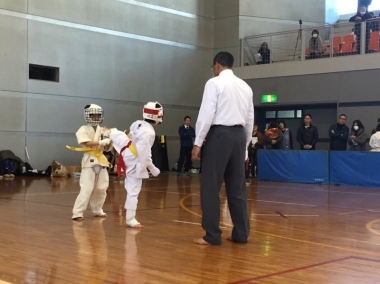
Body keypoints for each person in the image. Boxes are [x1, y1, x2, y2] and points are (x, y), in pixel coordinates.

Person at [192, 52, 254, 245]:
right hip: (239, 136)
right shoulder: (246, 87)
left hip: (219, 136)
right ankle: (241, 234)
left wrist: (198, 142)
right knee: (237, 188)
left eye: (213, 67)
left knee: (210, 187)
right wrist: (244, 148)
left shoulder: (214, 83)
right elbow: (250, 120)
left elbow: (207, 112)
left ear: (217, 65)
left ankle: (212, 235)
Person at [105, 102, 163, 228]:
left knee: (117, 134)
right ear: (158, 115)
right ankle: (130, 219)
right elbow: (145, 156)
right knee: (133, 190)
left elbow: (130, 133)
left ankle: (108, 134)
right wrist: (153, 168)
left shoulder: (138, 123)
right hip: (133, 159)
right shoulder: (149, 133)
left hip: (127, 147)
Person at [71, 104, 113, 222]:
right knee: (86, 188)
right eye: (93, 115)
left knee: (101, 188)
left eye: (98, 115)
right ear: (88, 116)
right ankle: (77, 213)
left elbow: (106, 148)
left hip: (101, 161)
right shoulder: (83, 129)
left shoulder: (103, 130)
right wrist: (101, 141)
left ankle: (97, 210)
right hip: (89, 160)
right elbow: (86, 143)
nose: (96, 117)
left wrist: (109, 140)